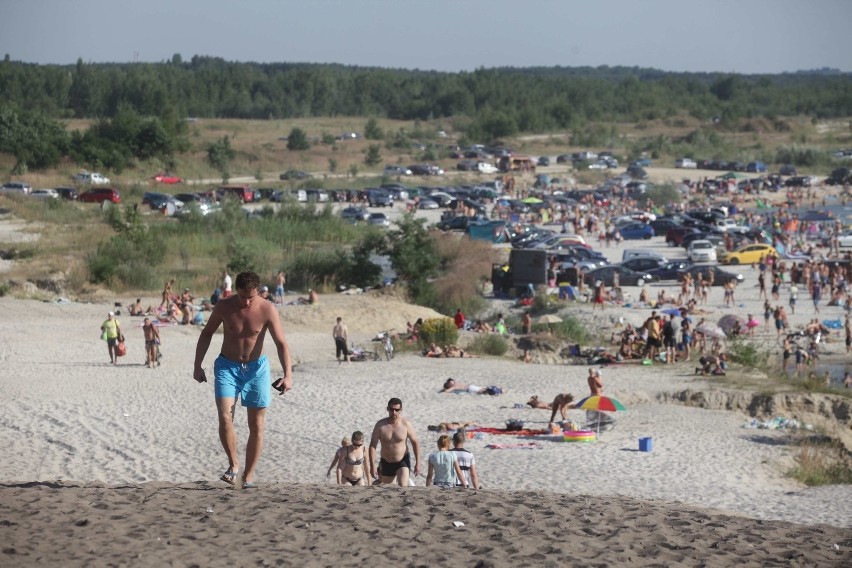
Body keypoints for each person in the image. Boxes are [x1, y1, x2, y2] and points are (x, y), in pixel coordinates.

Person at [193, 271, 293, 489]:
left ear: (257, 291)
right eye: (242, 296)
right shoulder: (223, 306)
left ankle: (248, 476)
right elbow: (207, 333)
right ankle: (234, 465)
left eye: (251, 297)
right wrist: (197, 365)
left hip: (257, 369)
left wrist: (288, 375)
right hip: (227, 367)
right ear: (235, 290)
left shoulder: (267, 308)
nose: (247, 302)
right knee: (224, 416)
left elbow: (281, 343)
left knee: (256, 425)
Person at [369, 398, 421, 486]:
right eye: (391, 409)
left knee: (402, 486)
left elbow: (415, 442)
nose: (394, 412)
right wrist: (372, 465)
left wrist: (418, 463)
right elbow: (373, 445)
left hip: (402, 460)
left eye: (397, 410)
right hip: (386, 461)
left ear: (401, 410)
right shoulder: (380, 425)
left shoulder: (406, 424)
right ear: (387, 409)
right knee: (387, 487)